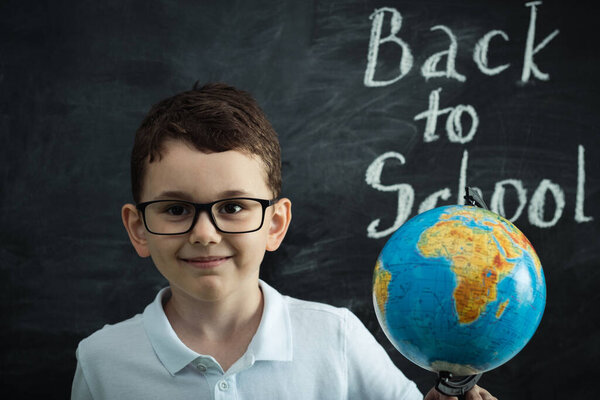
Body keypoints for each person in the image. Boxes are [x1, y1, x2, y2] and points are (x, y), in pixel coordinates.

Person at [71, 82, 497, 400]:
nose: (204, 234)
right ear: (138, 228)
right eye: (176, 210)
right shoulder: (102, 362)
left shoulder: (336, 338)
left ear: (275, 224)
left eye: (234, 207)